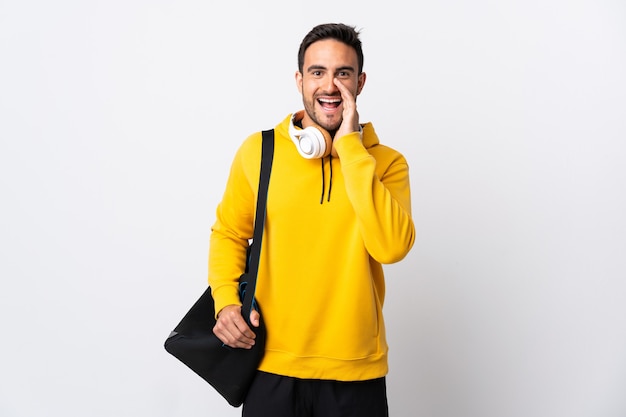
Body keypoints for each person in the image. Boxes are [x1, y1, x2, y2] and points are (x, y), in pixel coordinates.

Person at [209, 23, 415, 417]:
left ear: (361, 82)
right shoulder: (260, 151)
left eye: (343, 73)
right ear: (300, 80)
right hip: (269, 366)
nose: (330, 85)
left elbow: (391, 247)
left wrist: (352, 149)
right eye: (318, 72)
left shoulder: (386, 163)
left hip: (356, 372)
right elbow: (229, 233)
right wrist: (225, 303)